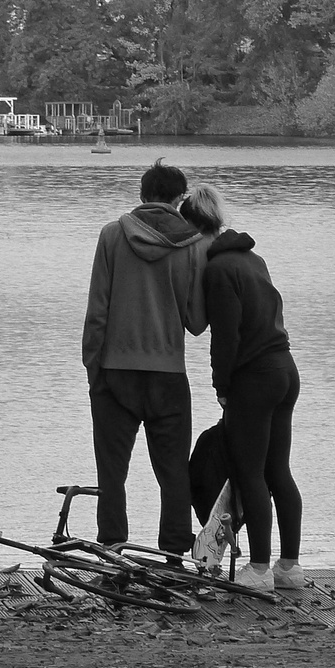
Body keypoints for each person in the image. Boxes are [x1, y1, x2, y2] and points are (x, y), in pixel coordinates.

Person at [177, 184, 304, 594]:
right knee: (278, 470)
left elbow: (225, 337)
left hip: (254, 378)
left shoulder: (217, 271)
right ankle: (289, 567)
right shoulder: (253, 259)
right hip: (285, 370)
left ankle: (260, 570)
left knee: (250, 473)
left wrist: (222, 385)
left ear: (197, 230)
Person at [81, 158, 208, 557]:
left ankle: (112, 548)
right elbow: (196, 322)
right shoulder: (193, 245)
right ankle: (173, 552)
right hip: (168, 374)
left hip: (115, 372)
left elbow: (97, 311)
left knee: (112, 472)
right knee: (173, 473)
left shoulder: (112, 235)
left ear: (142, 195)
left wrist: (93, 371)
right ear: (179, 199)